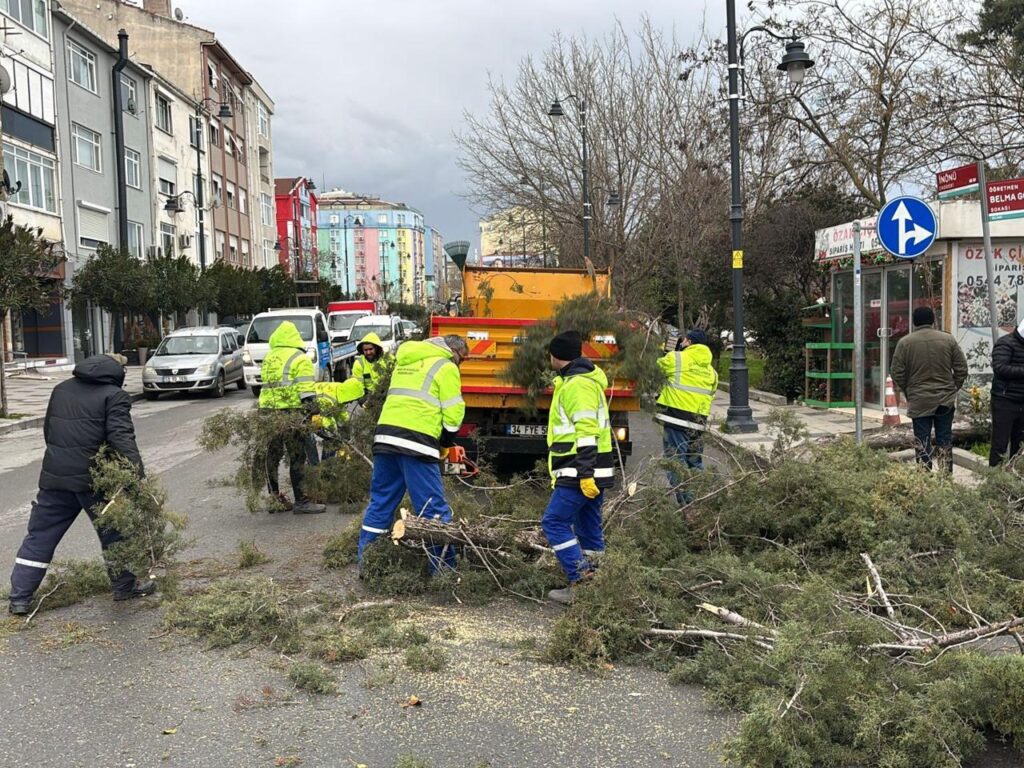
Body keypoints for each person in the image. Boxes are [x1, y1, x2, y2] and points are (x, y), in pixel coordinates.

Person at [8, 354, 155, 616]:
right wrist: (136, 477)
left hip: (55, 478)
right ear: (117, 373)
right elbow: (122, 439)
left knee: (40, 536)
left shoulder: (61, 389)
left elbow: (49, 430)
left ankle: (19, 598)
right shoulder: (114, 396)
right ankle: (124, 587)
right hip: (96, 481)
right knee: (115, 534)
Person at [357, 334, 468, 570]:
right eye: (462, 358)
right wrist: (445, 444)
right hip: (417, 443)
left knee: (381, 502)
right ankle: (443, 570)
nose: (461, 363)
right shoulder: (446, 366)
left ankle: (367, 563)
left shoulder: (406, 362)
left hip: (385, 439)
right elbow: (454, 414)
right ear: (453, 351)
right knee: (432, 509)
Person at [541, 331, 614, 605]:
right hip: (592, 469)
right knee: (588, 528)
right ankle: (599, 583)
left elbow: (585, 431)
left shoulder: (577, 386)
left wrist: (584, 473)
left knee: (554, 522)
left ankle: (581, 579)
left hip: (578, 469)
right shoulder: (581, 381)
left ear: (555, 355)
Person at [258, 321, 326, 513]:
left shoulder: (269, 357)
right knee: (297, 456)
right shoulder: (300, 358)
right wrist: (314, 413)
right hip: (291, 413)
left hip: (267, 413)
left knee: (272, 456)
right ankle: (301, 501)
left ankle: (274, 498)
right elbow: (306, 392)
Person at [890, 306, 968, 473]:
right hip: (945, 399)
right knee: (944, 438)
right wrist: (954, 387)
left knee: (922, 441)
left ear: (914, 321)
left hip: (919, 399)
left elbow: (896, 372)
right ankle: (945, 477)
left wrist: (908, 390)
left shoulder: (905, 343)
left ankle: (925, 478)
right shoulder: (948, 340)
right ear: (933, 320)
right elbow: (961, 367)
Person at [655, 328, 719, 505]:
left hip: (676, 419)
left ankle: (688, 505)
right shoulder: (712, 372)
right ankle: (698, 501)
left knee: (675, 462)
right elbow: (711, 392)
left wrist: (667, 352)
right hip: (698, 424)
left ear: (689, 342)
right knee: (694, 462)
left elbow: (656, 370)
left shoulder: (676, 358)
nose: (681, 342)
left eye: (683, 340)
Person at [989, 317, 1024, 466]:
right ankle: (994, 479)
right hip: (1005, 400)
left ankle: (1015, 480)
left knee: (1020, 445)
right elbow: (1000, 367)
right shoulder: (1005, 343)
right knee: (1000, 443)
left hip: (1022, 400)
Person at [349, 332, 390, 401]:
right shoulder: (359, 363)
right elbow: (358, 385)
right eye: (365, 350)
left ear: (376, 348)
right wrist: (362, 399)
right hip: (369, 397)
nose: (368, 352)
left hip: (387, 395)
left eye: (370, 349)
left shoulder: (388, 359)